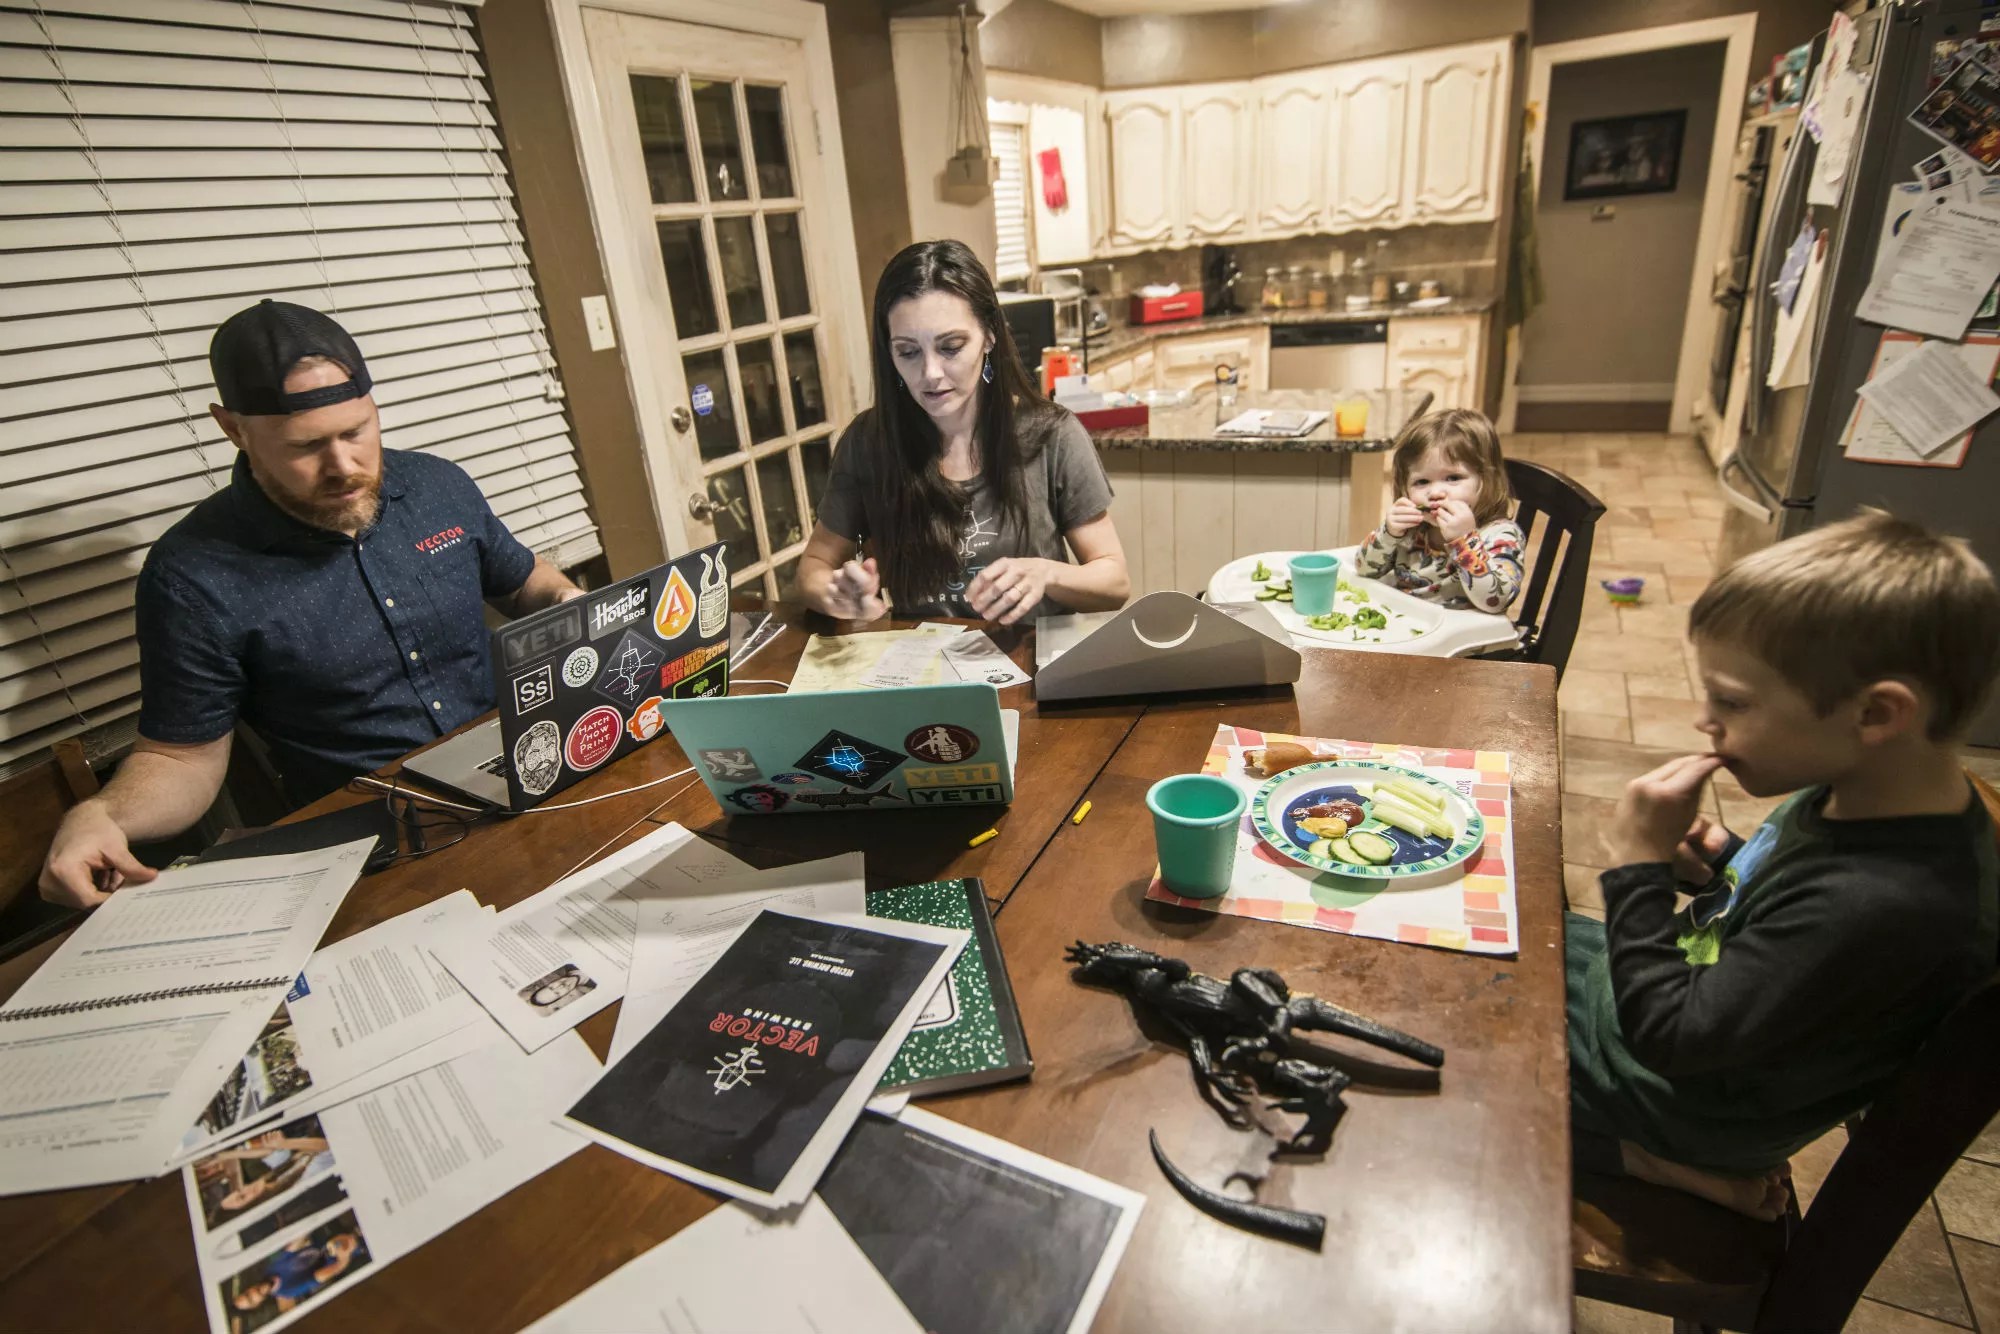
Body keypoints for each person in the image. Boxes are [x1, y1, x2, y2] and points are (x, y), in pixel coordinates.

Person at [39, 301, 584, 909]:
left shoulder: (437, 485)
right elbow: (181, 757)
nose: (344, 467)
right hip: (378, 827)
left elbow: (521, 581)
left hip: (521, 755)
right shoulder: (190, 575)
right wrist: (103, 815)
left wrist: (569, 602)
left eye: (356, 431)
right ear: (234, 429)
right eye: (306, 446)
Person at [1567, 511, 2000, 1218]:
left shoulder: (1886, 904)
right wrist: (1721, 865)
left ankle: (1644, 1160)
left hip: (1675, 1096)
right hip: (1683, 1007)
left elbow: (1671, 1038)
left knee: (1453, 1063)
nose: (1705, 720)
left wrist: (1637, 871)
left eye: (1731, 701)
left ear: (1875, 714)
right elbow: (1799, 923)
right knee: (1499, 937)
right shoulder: (1867, 793)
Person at [796, 240, 1129, 625]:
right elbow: (813, 568)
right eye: (908, 352)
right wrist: (835, 593)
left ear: (989, 336)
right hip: (921, 659)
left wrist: (1047, 574)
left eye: (951, 347)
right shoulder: (869, 442)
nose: (930, 373)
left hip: (1032, 654)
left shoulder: (1052, 434)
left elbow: (1115, 583)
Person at [1349, 409, 1525, 613]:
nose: (1435, 493)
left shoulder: (1501, 535)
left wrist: (1464, 542)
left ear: (1486, 480)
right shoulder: (1411, 529)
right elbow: (1364, 569)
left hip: (1462, 631)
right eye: (1422, 481)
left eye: (1453, 478)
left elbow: (1496, 601)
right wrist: (1388, 534)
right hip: (1405, 621)